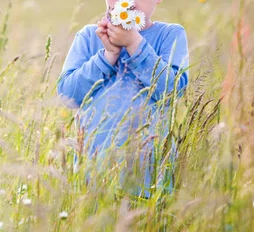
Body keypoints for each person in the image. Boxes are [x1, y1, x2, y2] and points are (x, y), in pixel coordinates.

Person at [57, 0, 189, 199]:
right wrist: (108, 55)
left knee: (145, 227)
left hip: (147, 180)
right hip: (93, 178)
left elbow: (172, 90)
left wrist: (135, 43)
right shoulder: (89, 37)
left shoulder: (169, 35)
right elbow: (68, 95)